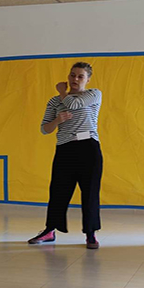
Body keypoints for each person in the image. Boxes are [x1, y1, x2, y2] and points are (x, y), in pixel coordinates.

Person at [28, 62, 103, 250]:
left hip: (89, 148)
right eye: (72, 75)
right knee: (58, 192)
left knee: (90, 193)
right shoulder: (54, 102)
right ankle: (49, 230)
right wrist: (57, 120)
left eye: (80, 76)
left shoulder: (93, 95)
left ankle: (90, 234)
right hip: (65, 149)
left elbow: (73, 103)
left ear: (87, 79)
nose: (75, 79)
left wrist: (63, 92)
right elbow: (45, 129)